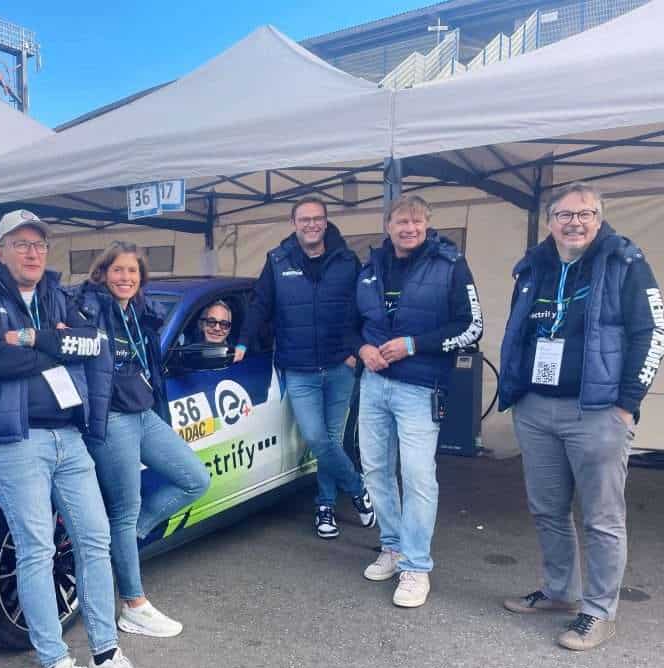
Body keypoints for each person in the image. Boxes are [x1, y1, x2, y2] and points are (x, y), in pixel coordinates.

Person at [0, 210, 156, 668]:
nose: (32, 252)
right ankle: (54, 667)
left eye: (39, 244)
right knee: (37, 548)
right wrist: (54, 342)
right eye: (20, 244)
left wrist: (28, 338)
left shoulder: (55, 293)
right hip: (13, 439)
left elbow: (92, 344)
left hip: (68, 436)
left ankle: (106, 656)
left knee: (94, 538)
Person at [498, 183, 664, 651]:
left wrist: (626, 402)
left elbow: (654, 332)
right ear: (550, 219)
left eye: (585, 214)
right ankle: (560, 593)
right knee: (547, 508)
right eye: (564, 214)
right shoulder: (533, 266)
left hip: (596, 410)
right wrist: (515, 393)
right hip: (536, 408)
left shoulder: (624, 263)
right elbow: (519, 332)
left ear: (600, 218)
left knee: (601, 518)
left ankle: (598, 612)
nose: (574, 222)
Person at [73, 241, 211, 638]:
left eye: (133, 272)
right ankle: (133, 604)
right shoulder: (90, 308)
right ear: (103, 272)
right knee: (124, 507)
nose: (125, 278)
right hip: (110, 418)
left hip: (143, 412)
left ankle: (127, 540)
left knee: (194, 479)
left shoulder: (141, 313)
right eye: (118, 270)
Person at [354, 195, 483, 608]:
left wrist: (415, 345)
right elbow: (351, 322)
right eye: (400, 222)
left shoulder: (449, 264)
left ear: (427, 224)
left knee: (417, 476)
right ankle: (391, 547)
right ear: (387, 225)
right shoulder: (370, 266)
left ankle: (416, 566)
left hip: (420, 386)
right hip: (373, 383)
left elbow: (472, 328)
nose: (408, 228)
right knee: (374, 470)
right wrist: (361, 349)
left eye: (415, 222)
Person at [235, 196, 374, 538]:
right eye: (304, 219)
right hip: (299, 370)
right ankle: (358, 489)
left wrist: (355, 351)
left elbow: (365, 308)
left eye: (317, 219)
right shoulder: (278, 260)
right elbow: (260, 304)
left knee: (331, 439)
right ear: (293, 223)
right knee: (316, 438)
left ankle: (325, 505)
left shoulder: (347, 260)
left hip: (340, 366)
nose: (311, 224)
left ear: (325, 222)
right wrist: (241, 342)